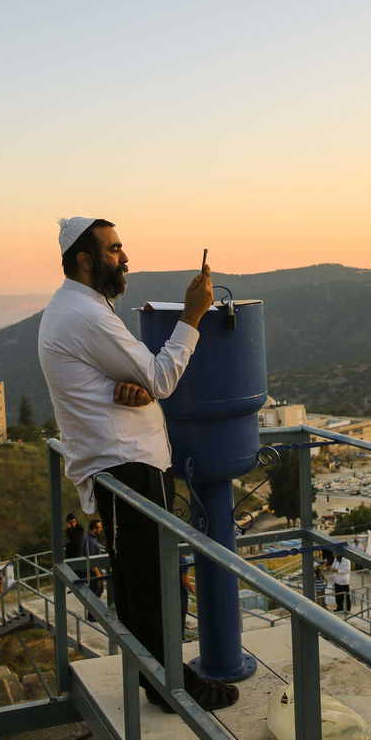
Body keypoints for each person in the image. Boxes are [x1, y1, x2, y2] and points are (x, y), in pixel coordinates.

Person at [37, 216, 238, 713]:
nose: (125, 258)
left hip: (123, 465)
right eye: (114, 250)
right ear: (84, 260)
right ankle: (174, 689)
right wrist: (192, 316)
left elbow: (138, 380)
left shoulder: (77, 309)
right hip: (127, 467)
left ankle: (156, 679)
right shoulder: (87, 315)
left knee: (141, 581)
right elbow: (161, 376)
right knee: (154, 586)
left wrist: (140, 388)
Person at [84, 518, 106, 600]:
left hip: (95, 570)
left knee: (97, 592)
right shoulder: (90, 541)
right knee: (97, 592)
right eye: (99, 527)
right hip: (93, 573)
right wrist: (98, 574)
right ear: (94, 529)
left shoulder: (91, 538)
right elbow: (91, 559)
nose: (101, 529)